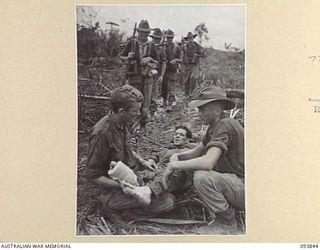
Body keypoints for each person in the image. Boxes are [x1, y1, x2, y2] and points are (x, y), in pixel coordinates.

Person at [123, 86, 244, 227]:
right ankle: (149, 190)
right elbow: (195, 152)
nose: (199, 113)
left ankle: (226, 221)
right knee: (189, 168)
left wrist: (174, 165)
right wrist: (176, 157)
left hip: (243, 185)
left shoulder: (225, 125)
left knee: (202, 176)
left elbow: (207, 163)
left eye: (202, 109)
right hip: (233, 182)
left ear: (217, 110)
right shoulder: (216, 126)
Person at [85, 85, 175, 222]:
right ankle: (119, 210)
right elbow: (92, 176)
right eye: (136, 110)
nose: (139, 113)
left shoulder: (124, 121)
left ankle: (146, 192)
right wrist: (120, 185)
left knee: (166, 169)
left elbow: (128, 148)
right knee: (168, 201)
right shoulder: (101, 134)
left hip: (133, 175)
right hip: (115, 189)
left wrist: (143, 162)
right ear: (122, 111)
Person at [119, 19, 160, 129]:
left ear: (148, 33)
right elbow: (121, 57)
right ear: (138, 32)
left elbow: (157, 63)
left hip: (147, 78)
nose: (144, 34)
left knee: (146, 102)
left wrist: (149, 59)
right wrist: (128, 57)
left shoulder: (152, 46)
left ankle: (143, 125)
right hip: (134, 76)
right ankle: (132, 125)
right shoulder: (131, 43)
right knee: (134, 101)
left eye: (146, 32)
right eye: (142, 32)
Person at [161, 29, 182, 112]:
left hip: (172, 70)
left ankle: (170, 103)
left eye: (170, 37)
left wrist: (176, 60)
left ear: (173, 38)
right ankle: (164, 101)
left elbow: (182, 60)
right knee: (164, 87)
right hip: (164, 70)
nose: (169, 39)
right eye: (167, 37)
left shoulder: (176, 48)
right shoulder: (163, 46)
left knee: (171, 87)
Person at [149, 28, 167, 118]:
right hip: (145, 73)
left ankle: (152, 112)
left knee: (154, 93)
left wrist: (162, 76)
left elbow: (164, 63)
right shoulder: (147, 46)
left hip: (155, 74)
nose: (157, 40)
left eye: (159, 38)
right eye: (155, 38)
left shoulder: (161, 50)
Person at [181, 32, 203, 97]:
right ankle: (186, 93)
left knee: (193, 78)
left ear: (193, 38)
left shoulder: (197, 45)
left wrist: (197, 55)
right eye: (189, 38)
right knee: (186, 79)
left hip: (195, 64)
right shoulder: (184, 46)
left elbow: (202, 54)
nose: (190, 39)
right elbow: (181, 54)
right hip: (187, 64)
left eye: (191, 38)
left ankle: (192, 92)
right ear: (187, 39)